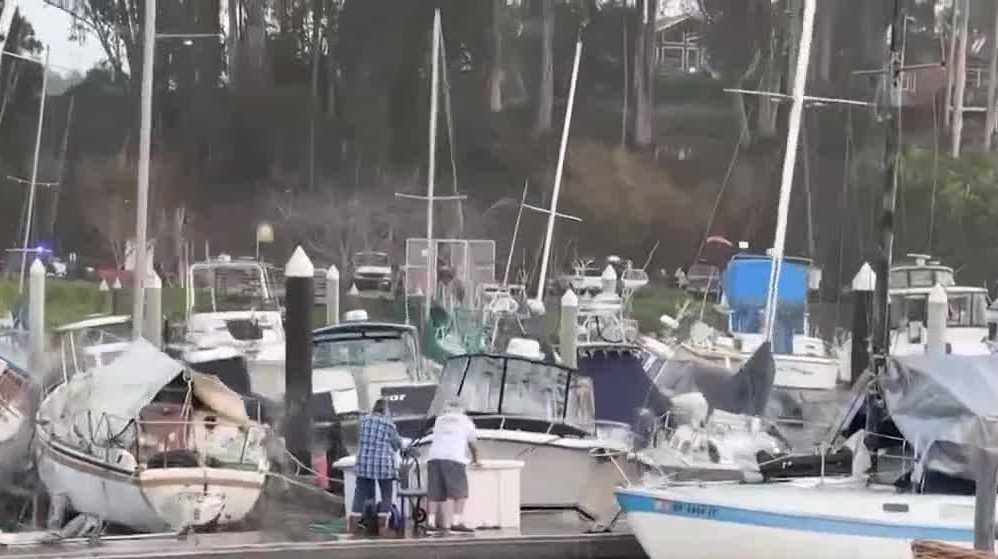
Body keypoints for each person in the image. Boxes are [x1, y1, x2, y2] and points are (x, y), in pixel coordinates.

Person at [426, 398, 479, 535]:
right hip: (454, 458)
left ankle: (430, 523)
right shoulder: (465, 421)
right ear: (462, 408)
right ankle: (456, 523)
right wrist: (476, 460)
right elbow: (473, 444)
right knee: (460, 493)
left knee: (434, 492)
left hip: (434, 457)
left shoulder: (440, 420)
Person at [350, 398, 402, 535]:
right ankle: (382, 528)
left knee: (359, 495)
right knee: (386, 495)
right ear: (385, 410)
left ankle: (352, 528)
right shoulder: (389, 424)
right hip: (382, 465)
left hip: (364, 463)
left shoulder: (363, 421)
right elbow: (397, 445)